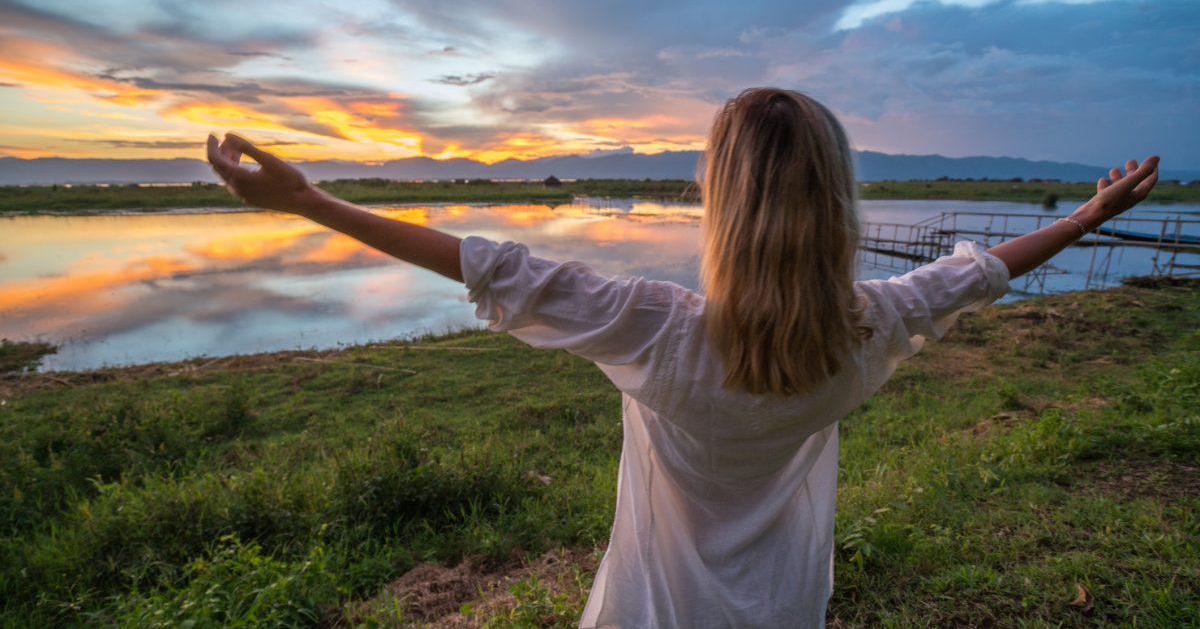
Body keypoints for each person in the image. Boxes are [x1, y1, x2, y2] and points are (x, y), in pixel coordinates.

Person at [206, 87, 1159, 628]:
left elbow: (490, 266)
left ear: (723, 202)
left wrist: (312, 204)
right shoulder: (864, 326)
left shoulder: (656, 326)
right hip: (787, 605)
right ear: (837, 205)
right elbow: (980, 272)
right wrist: (1083, 219)